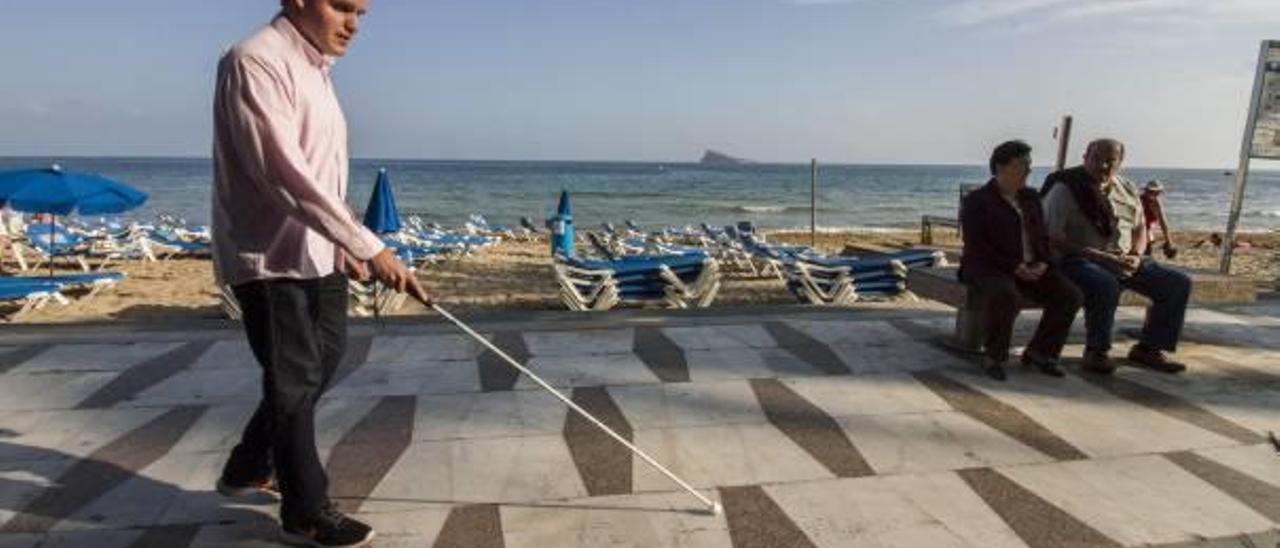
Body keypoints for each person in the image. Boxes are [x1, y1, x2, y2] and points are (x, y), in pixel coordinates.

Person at [210, 1, 428, 546]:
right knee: (294, 378)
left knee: (322, 361)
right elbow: (281, 173)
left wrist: (349, 242)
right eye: (341, 6)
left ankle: (248, 463)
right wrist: (369, 245)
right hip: (271, 257)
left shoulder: (317, 73)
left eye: (362, 12)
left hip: (321, 251)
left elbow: (321, 178)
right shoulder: (254, 60)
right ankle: (305, 511)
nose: (353, 23)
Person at [1042, 139, 1190, 375]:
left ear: (1120, 162)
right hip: (1078, 259)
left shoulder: (1128, 188)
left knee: (1177, 283)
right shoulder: (1065, 188)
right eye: (1096, 159)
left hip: (1123, 259)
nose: (1102, 166)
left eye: (1110, 161)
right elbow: (1052, 238)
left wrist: (1136, 254)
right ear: (1085, 158)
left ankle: (1149, 348)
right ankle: (1097, 351)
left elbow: (1140, 227)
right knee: (1105, 284)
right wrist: (1098, 256)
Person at [960, 141, 1083, 381]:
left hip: (1031, 266)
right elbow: (977, 246)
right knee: (1006, 295)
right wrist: (1014, 267)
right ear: (1000, 167)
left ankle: (1040, 352)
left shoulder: (1030, 197)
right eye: (1021, 165)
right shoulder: (978, 201)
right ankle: (994, 356)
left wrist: (1044, 263)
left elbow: (1042, 237)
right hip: (988, 267)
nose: (1028, 171)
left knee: (1071, 295)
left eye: (1029, 165)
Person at [1140, 180, 1178, 259]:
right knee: (1145, 257)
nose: (1157, 194)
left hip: (1138, 231)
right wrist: (1169, 241)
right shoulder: (1155, 202)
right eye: (1155, 192)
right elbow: (1163, 222)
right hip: (1144, 232)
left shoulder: (1139, 198)